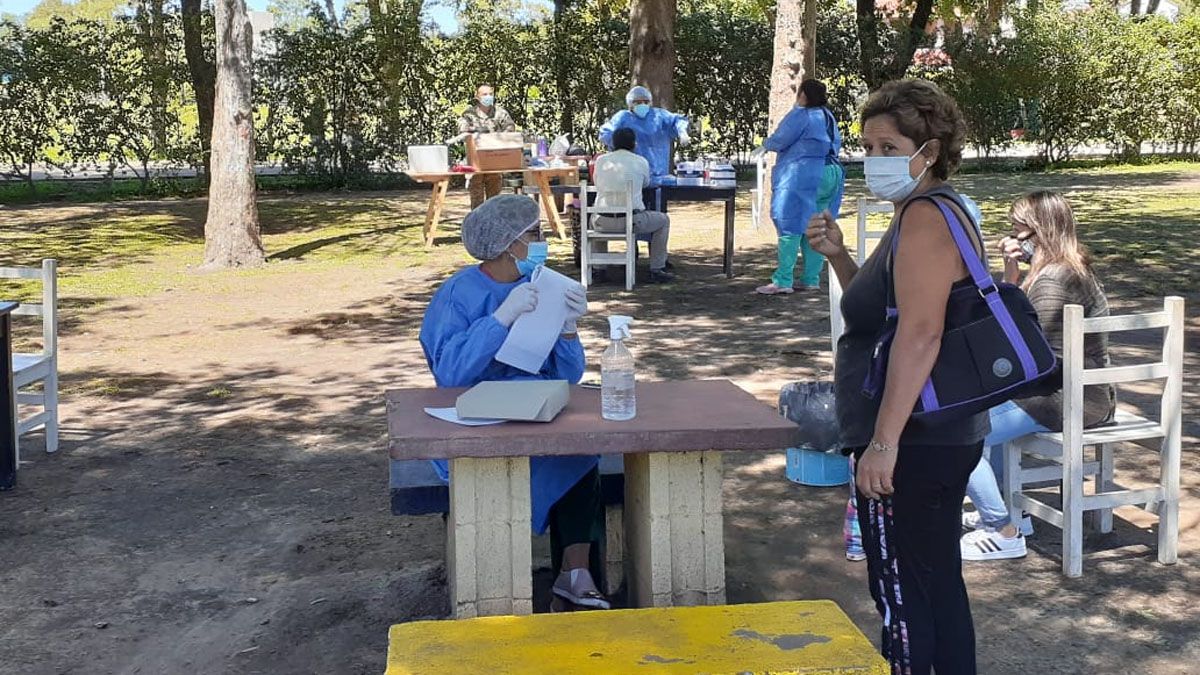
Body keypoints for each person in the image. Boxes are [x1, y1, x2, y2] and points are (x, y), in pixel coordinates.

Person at [808, 78, 986, 674]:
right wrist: (838, 255)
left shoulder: (927, 218)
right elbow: (880, 310)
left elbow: (919, 333)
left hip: (918, 438)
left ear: (927, 152)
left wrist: (884, 443)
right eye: (868, 147)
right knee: (932, 588)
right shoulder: (915, 212)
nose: (873, 161)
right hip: (929, 433)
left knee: (907, 598)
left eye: (888, 148)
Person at [418, 195, 610, 611]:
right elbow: (450, 373)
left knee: (581, 451)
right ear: (508, 244)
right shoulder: (457, 295)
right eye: (534, 235)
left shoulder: (542, 284)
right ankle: (493, 587)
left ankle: (575, 572)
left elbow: (569, 376)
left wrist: (569, 330)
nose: (543, 243)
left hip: (535, 410)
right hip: (472, 417)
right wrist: (498, 321)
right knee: (494, 468)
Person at [960, 190, 1116, 562]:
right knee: (982, 422)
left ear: (1041, 232)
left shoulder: (1052, 281)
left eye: (1018, 231)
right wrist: (1012, 276)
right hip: (1081, 393)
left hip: (1064, 398)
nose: (1012, 239)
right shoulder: (1068, 268)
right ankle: (1013, 511)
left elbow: (1022, 348)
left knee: (961, 433)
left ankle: (1002, 530)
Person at [753, 79, 845, 295]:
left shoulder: (801, 115)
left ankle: (783, 280)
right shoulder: (827, 116)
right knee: (817, 224)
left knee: (790, 222)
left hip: (803, 174)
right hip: (831, 172)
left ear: (803, 94)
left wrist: (766, 145)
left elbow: (782, 138)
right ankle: (811, 278)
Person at [592, 128, 674, 283]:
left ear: (613, 144)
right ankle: (657, 268)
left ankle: (599, 269)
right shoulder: (640, 161)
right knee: (663, 220)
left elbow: (596, 182)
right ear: (634, 144)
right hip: (631, 221)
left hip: (602, 222)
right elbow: (646, 183)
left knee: (596, 216)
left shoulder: (601, 161)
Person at [598, 85, 689, 186]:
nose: (643, 105)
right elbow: (605, 133)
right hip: (632, 176)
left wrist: (682, 131)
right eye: (638, 102)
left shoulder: (659, 116)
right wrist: (619, 147)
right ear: (630, 104)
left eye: (646, 102)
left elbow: (678, 120)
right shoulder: (623, 117)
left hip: (659, 178)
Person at [458, 84, 518, 209]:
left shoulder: (500, 113)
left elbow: (510, 129)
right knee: (476, 199)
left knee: (495, 199)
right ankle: (477, 225)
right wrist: (475, 130)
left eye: (490, 94)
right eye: (484, 94)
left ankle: (494, 225)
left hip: (494, 161)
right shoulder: (469, 114)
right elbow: (462, 129)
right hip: (475, 162)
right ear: (477, 96)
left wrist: (496, 138)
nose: (488, 97)